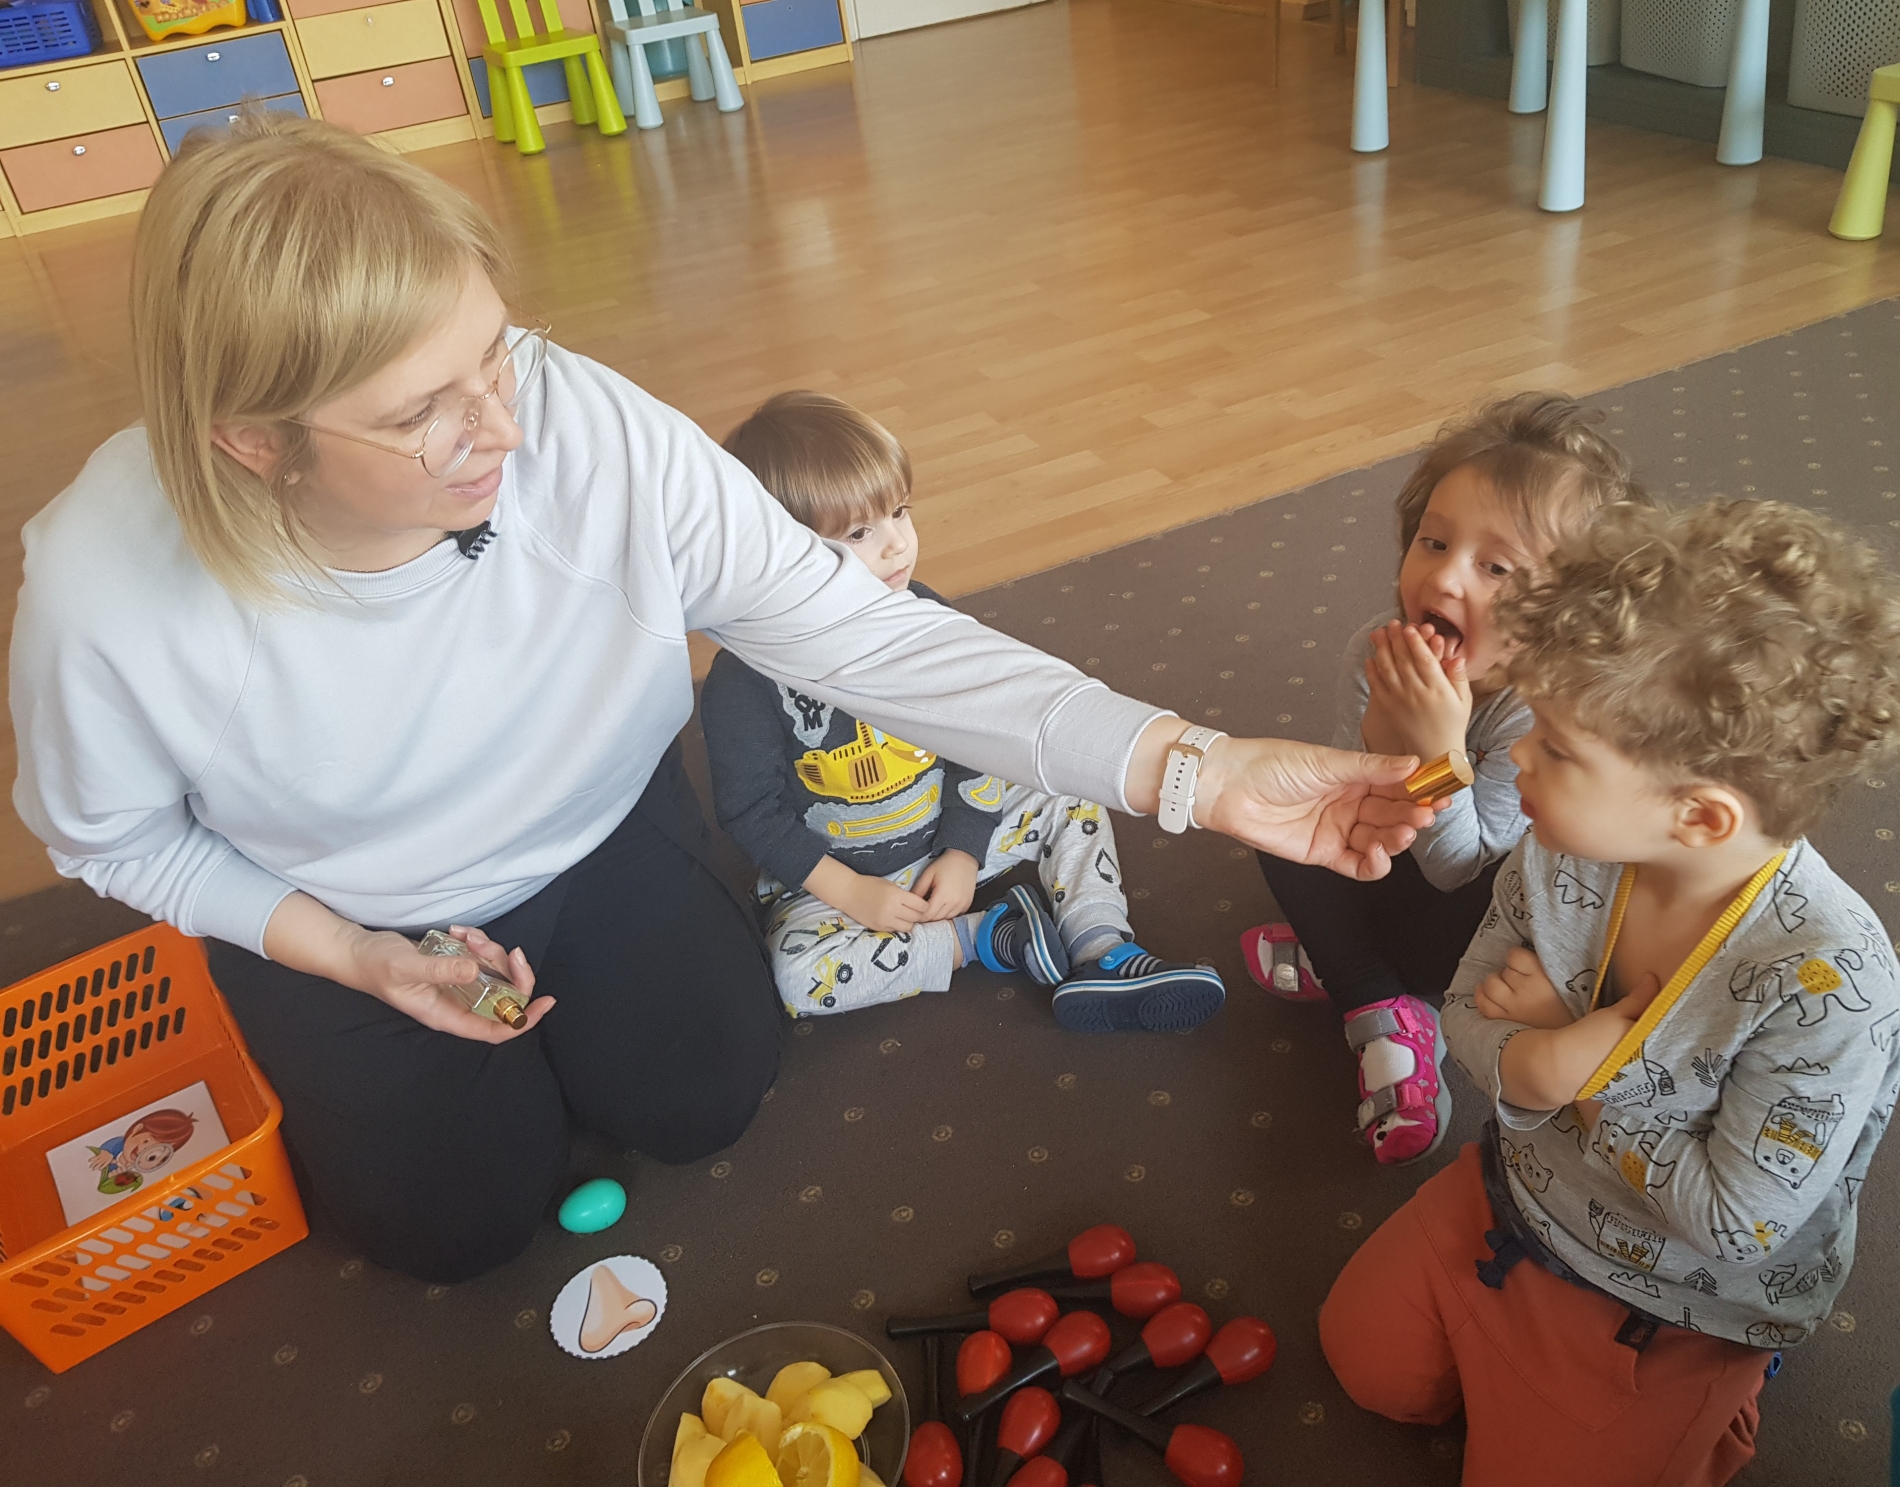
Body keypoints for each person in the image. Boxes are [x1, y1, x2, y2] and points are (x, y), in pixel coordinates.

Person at [8, 115, 1431, 1283]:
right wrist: (353, 955)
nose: (505, 426)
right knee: (455, 1232)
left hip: (601, 827)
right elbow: (116, 838)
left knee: (706, 1099)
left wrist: (1199, 768)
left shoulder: (582, 424)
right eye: (419, 411)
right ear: (254, 444)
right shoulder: (104, 590)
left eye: (495, 351)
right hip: (345, 909)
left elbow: (866, 640)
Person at [1319, 500, 1900, 1487]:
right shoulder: (1562, 849)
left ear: (1700, 815)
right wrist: (1537, 1060)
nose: (1515, 755)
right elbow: (1461, 1009)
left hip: (1678, 1295)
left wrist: (1574, 1063)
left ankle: (1722, 1384)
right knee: (1365, 1359)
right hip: (1520, 1196)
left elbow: (1732, 1222)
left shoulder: (1830, 984)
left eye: (1555, 747)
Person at [703, 392, 1226, 1030]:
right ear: (779, 553)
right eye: (861, 533)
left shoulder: (926, 617)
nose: (898, 545)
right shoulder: (744, 677)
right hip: (835, 879)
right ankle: (989, 937)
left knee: (1071, 794)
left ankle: (1101, 945)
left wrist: (964, 851)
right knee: (794, 976)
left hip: (947, 835)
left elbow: (979, 736)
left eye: (899, 512)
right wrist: (851, 892)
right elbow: (752, 812)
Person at [1242, 393, 1644, 1165]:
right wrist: (1376, 740)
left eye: (1496, 567)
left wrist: (1435, 751)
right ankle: (1371, 982)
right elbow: (1347, 815)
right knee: (1277, 809)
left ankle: (1377, 1000)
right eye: (1433, 541)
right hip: (1397, 856)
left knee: (1479, 904)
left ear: (1568, 614)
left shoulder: (1543, 708)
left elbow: (1464, 868)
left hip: (1481, 921)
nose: (1446, 575)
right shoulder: (1376, 651)